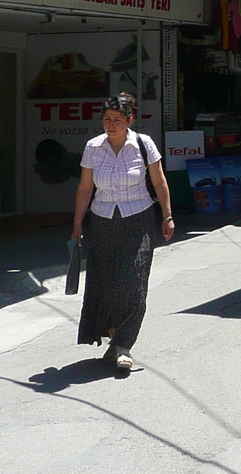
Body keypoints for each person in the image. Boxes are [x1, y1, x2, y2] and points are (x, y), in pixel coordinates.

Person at [71, 93, 174, 372]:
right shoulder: (93, 147)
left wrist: (167, 215)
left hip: (138, 220)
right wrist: (78, 223)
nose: (111, 125)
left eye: (117, 120)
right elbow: (85, 188)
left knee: (133, 284)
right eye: (106, 119)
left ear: (130, 120)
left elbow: (159, 181)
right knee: (105, 283)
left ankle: (125, 345)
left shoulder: (143, 145)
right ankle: (114, 339)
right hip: (103, 221)